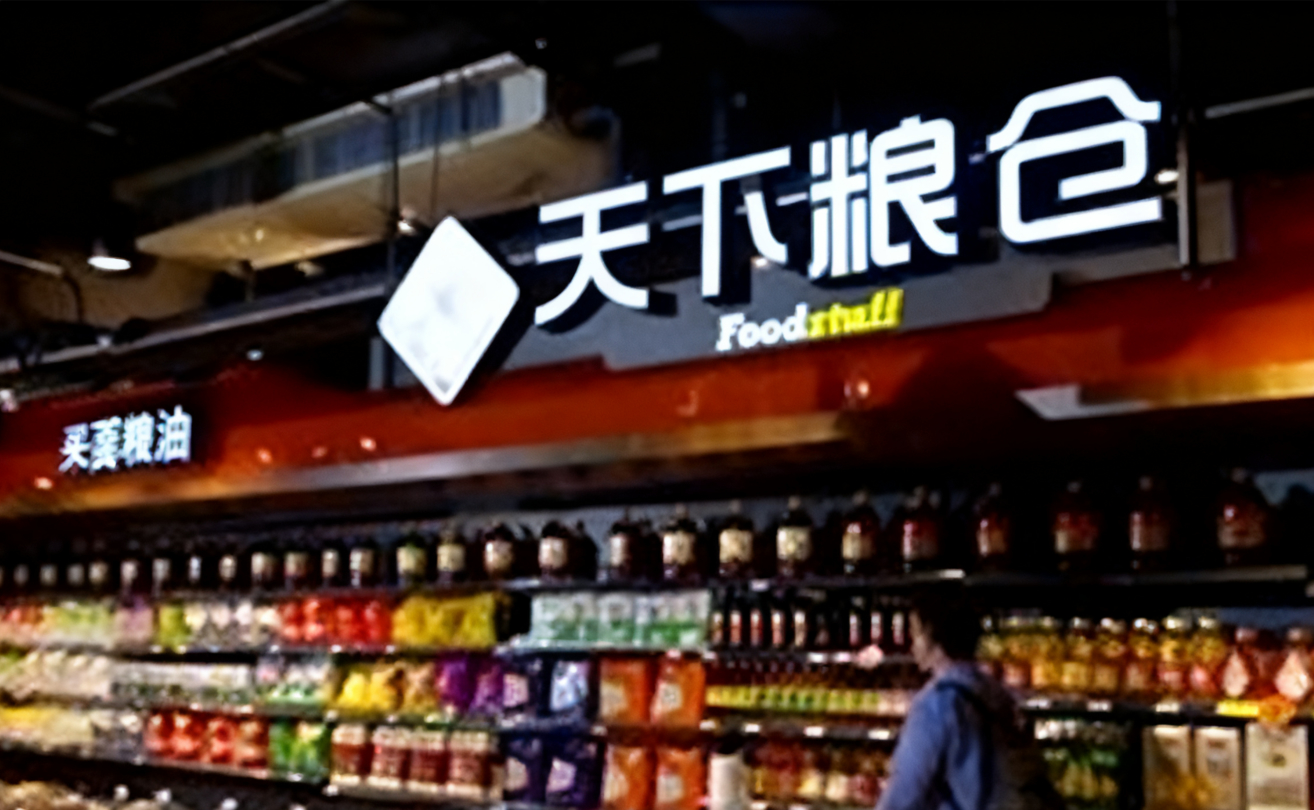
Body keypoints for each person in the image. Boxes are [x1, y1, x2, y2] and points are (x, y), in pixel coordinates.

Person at [874, 587, 1063, 810]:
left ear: (932, 638)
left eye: (915, 634)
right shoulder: (997, 692)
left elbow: (904, 793)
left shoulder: (936, 704)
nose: (912, 645)